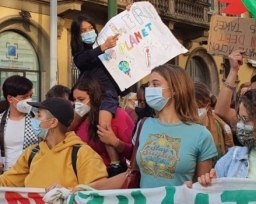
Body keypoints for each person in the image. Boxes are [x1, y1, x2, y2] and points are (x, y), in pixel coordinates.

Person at [88, 64, 217, 189]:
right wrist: (91, 188)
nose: (149, 89)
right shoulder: (143, 125)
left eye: (155, 84)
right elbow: (131, 174)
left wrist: (207, 182)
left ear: (175, 90)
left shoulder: (201, 135)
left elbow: (202, 189)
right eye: (149, 84)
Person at [0, 97, 107, 190]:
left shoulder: (83, 154)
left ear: (53, 123)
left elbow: (98, 194)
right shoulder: (32, 153)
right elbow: (3, 183)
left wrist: (68, 193)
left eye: (39, 116)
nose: (33, 120)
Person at [69, 15, 123, 174]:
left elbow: (125, 31)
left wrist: (130, 11)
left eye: (90, 28)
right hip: (87, 94)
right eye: (83, 31)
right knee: (70, 124)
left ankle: (115, 164)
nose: (88, 32)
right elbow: (81, 60)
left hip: (107, 93)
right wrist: (102, 48)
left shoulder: (108, 41)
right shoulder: (81, 54)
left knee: (104, 125)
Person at [0, 75, 40, 180]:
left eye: (30, 96)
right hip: (5, 178)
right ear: (10, 99)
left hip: (31, 177)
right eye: (24, 97)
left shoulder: (37, 120)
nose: (29, 100)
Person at [73, 78, 134, 177]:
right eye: (74, 100)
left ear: (94, 97)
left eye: (81, 99)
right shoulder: (79, 117)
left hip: (109, 177)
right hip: (83, 175)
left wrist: (116, 143)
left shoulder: (118, 115)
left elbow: (134, 153)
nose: (77, 104)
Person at [194, 83, 233, 162]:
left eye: (198, 108)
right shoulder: (179, 125)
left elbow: (230, 157)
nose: (193, 112)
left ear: (207, 106)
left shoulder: (221, 126)